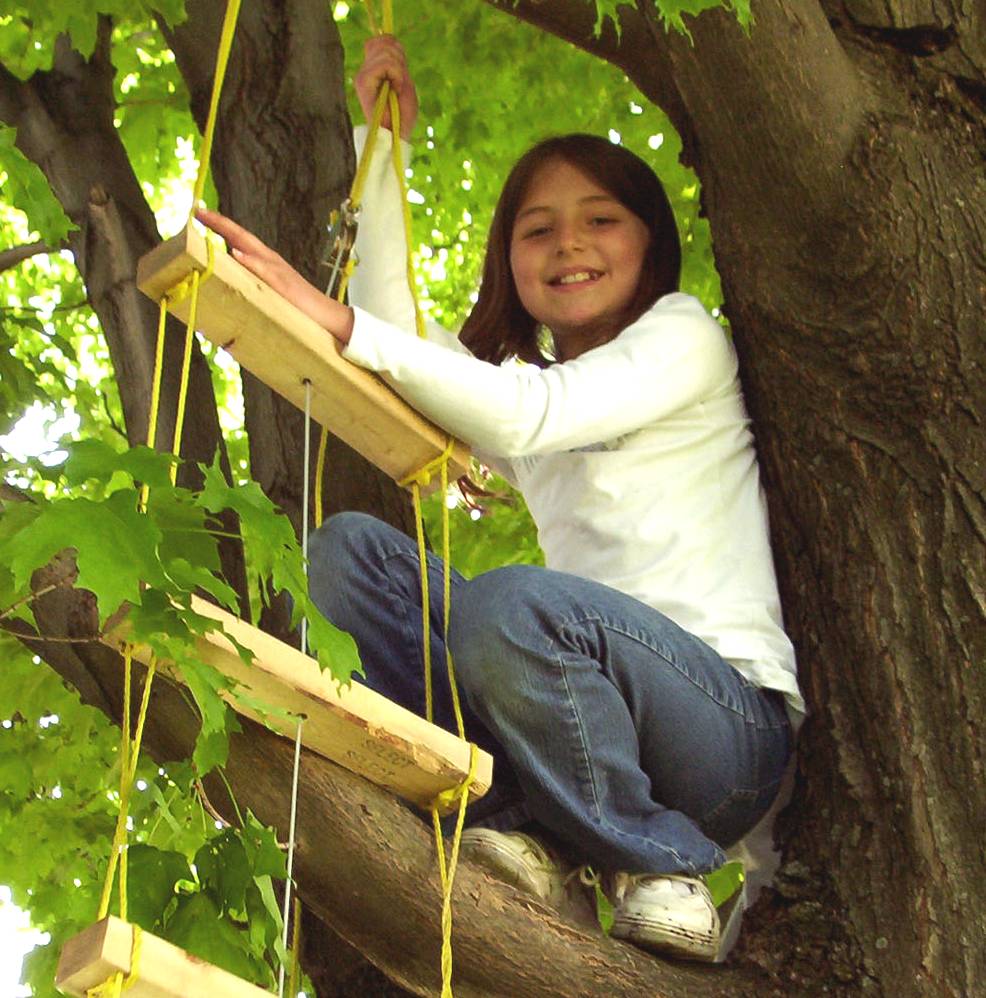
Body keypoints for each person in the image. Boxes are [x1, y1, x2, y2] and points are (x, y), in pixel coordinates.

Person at [198, 36, 803, 963]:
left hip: (718, 741)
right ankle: (529, 828)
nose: (568, 244)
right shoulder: (528, 392)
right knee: (350, 556)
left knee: (512, 604)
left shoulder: (685, 340)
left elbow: (522, 412)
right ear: (511, 261)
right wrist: (384, 148)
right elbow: (409, 345)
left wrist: (340, 326)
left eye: (600, 220)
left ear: (651, 241)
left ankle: (661, 862)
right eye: (536, 230)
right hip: (576, 720)